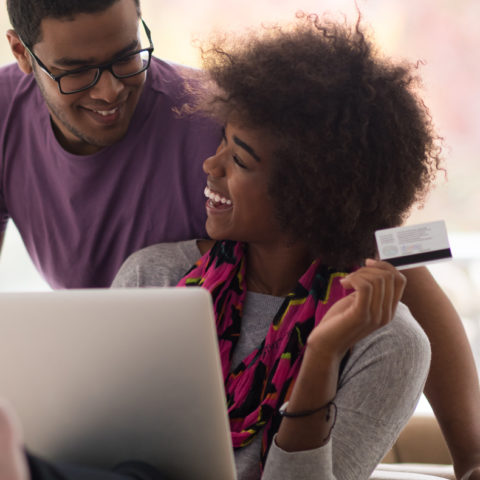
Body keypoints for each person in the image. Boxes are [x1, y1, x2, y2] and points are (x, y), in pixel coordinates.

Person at [2, 1, 480, 478]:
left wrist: (471, 454)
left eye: (126, 56)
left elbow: (374, 236)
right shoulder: (152, 268)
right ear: (22, 54)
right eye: (77, 71)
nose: (110, 88)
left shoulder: (221, 112)